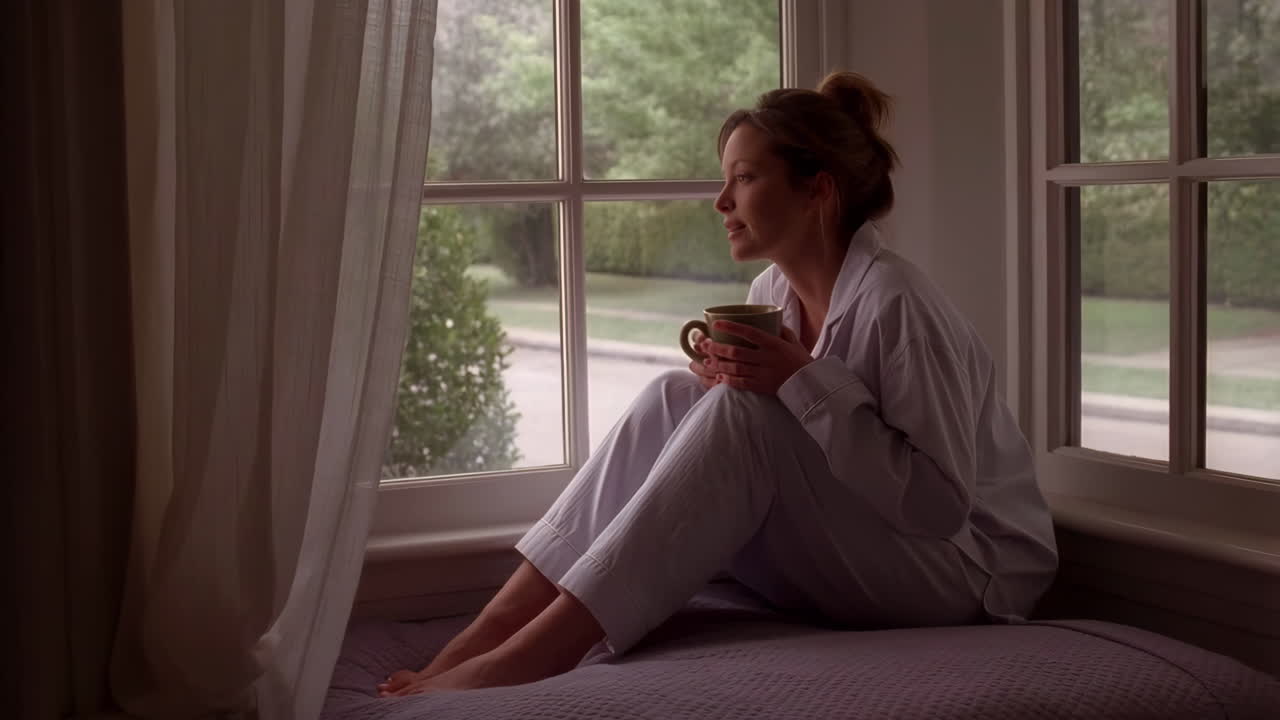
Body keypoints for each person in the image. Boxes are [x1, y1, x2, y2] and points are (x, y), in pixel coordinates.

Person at [378, 71, 1058, 697]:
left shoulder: (898, 306)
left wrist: (803, 383)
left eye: (745, 178)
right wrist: (728, 387)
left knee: (742, 416)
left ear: (817, 189)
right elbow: (790, 448)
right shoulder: (772, 290)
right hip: (869, 548)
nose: (720, 201)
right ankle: (490, 632)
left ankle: (541, 652)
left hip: (969, 575)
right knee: (674, 395)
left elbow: (939, 507)